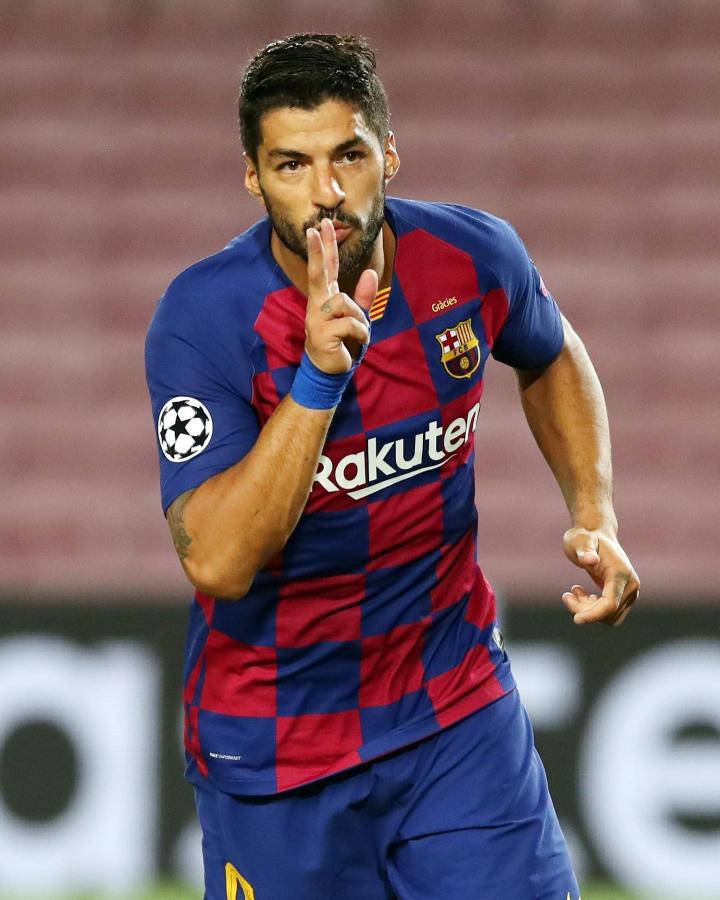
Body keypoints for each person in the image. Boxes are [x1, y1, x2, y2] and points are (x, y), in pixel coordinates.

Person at [145, 33, 639, 900]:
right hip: (277, 744)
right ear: (253, 177)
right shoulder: (205, 318)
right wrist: (317, 379)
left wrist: (593, 510)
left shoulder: (472, 258)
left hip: (453, 710)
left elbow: (552, 352)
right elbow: (218, 560)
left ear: (390, 155)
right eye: (292, 165)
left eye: (349, 156)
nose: (326, 193)